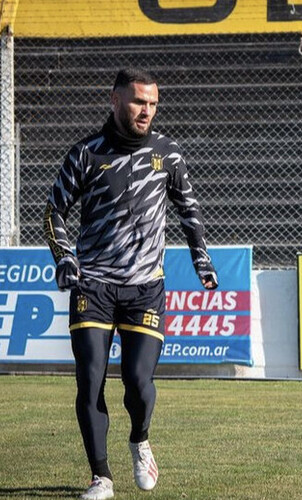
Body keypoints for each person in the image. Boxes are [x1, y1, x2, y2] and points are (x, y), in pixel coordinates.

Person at [43, 68, 218, 500]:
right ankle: (100, 476)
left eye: (153, 103)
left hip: (145, 288)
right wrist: (65, 258)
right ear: (115, 100)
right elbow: (53, 212)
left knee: (138, 383)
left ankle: (140, 439)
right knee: (91, 379)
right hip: (94, 287)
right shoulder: (86, 153)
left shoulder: (168, 154)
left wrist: (202, 259)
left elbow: (189, 211)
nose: (147, 110)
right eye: (139, 101)